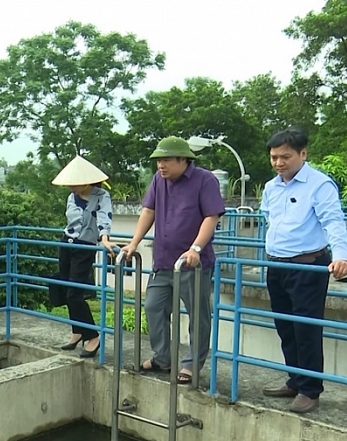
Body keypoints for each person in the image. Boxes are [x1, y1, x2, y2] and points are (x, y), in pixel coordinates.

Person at [119, 136, 225, 384]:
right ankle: (162, 358)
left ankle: (191, 365)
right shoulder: (159, 181)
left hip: (191, 264)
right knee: (154, 306)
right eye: (158, 161)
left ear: (183, 160)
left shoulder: (204, 180)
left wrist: (195, 248)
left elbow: (212, 216)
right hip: (163, 260)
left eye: (166, 160)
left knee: (197, 315)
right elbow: (149, 211)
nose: (161, 166)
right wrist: (133, 243)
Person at [260, 127, 347, 414]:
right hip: (276, 264)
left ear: (303, 153)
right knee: (285, 326)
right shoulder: (271, 187)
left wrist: (341, 256)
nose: (278, 163)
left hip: (308, 265)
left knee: (306, 328)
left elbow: (333, 221)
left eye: (285, 156)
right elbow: (268, 218)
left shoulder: (319, 185)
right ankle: (296, 380)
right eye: (274, 157)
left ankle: (310, 390)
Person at [51, 156, 116, 358]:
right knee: (65, 287)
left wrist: (104, 238)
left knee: (75, 293)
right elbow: (71, 221)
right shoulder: (72, 196)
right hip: (67, 242)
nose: (71, 186)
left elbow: (104, 217)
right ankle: (77, 331)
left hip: (85, 246)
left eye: (74, 181)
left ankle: (92, 336)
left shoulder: (101, 195)